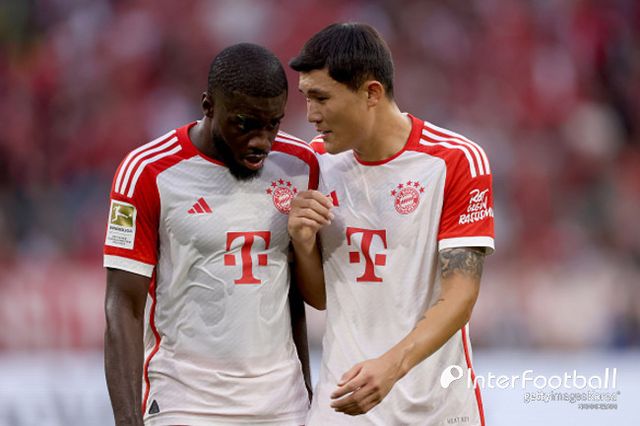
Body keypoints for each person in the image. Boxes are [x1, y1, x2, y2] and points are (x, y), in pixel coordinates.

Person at [287, 23, 495, 425]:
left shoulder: (455, 160)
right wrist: (302, 242)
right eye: (306, 97)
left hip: (435, 409)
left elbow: (460, 296)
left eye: (321, 98)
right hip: (343, 403)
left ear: (371, 93)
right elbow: (322, 297)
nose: (311, 115)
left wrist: (391, 366)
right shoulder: (315, 164)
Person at [103, 43, 318, 426]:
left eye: (273, 124)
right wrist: (127, 420)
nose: (261, 141)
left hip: (282, 403)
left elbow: (295, 294)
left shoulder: (300, 166)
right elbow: (123, 306)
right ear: (208, 106)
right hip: (184, 402)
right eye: (245, 124)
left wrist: (306, 390)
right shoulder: (147, 172)